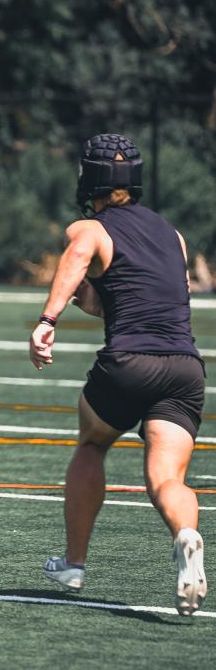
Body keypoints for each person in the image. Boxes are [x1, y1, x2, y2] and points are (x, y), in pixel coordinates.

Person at [30, 133, 206, 615]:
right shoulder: (173, 235)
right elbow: (138, 296)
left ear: (90, 178)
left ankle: (73, 562)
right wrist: (91, 296)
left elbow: (77, 257)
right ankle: (187, 537)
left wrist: (48, 320)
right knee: (166, 477)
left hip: (130, 362)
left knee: (92, 442)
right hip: (185, 368)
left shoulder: (90, 227)